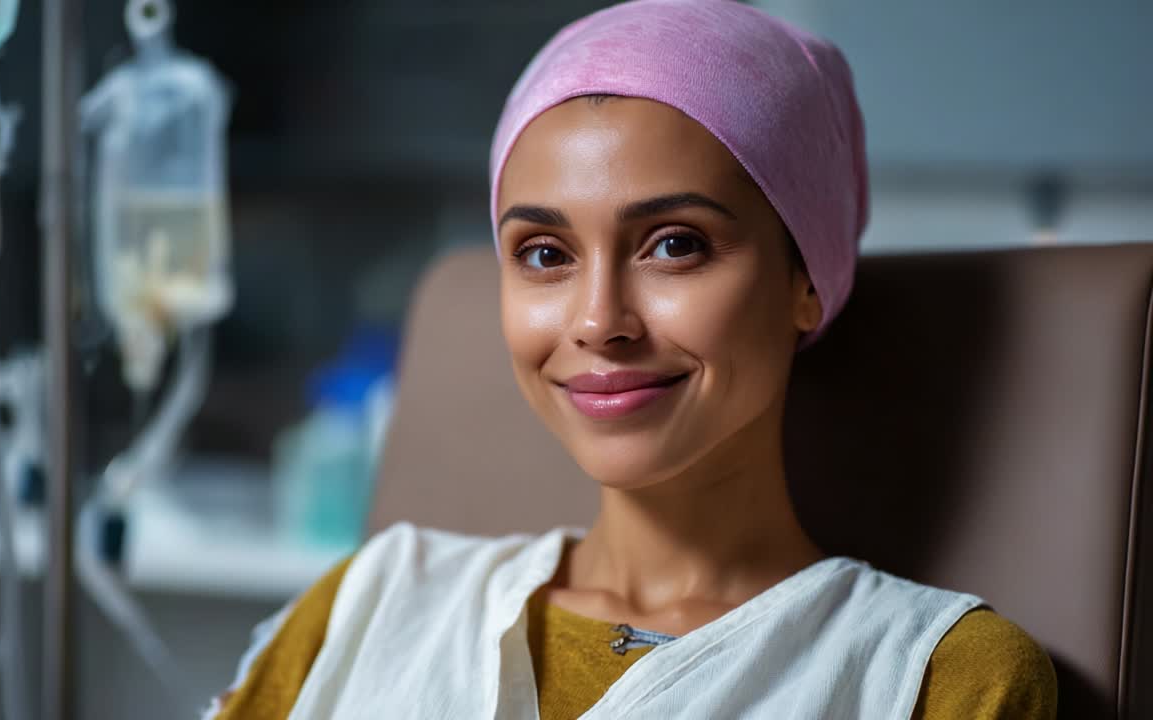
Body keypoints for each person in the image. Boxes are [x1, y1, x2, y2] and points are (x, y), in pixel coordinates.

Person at [209, 1, 1057, 717]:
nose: (598, 321)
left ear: (807, 277)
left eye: (674, 245)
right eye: (544, 253)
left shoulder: (937, 680)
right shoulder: (371, 605)